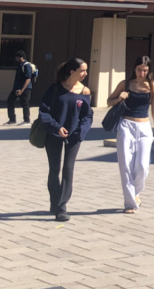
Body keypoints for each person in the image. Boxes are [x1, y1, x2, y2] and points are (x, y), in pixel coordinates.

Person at [38, 57, 92, 222]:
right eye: (82, 70)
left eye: (86, 70)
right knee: (54, 171)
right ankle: (55, 203)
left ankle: (62, 208)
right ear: (72, 71)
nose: (85, 74)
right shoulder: (55, 89)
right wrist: (56, 127)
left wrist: (81, 131)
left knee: (68, 170)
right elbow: (44, 112)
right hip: (54, 134)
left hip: (74, 136)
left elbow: (87, 116)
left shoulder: (85, 92)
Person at [106, 56, 154, 214]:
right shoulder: (125, 84)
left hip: (144, 126)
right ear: (134, 69)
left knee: (143, 166)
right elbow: (109, 101)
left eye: (145, 70)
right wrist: (119, 98)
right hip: (126, 125)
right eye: (139, 69)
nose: (142, 73)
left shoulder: (153, 86)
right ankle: (129, 203)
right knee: (126, 165)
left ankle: (135, 193)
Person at [6, 50, 37, 125]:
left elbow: (28, 78)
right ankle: (12, 119)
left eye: (17, 57)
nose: (16, 59)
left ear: (21, 57)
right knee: (9, 100)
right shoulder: (20, 65)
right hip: (17, 88)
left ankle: (27, 120)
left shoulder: (26, 66)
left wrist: (22, 90)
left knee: (25, 104)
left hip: (25, 88)